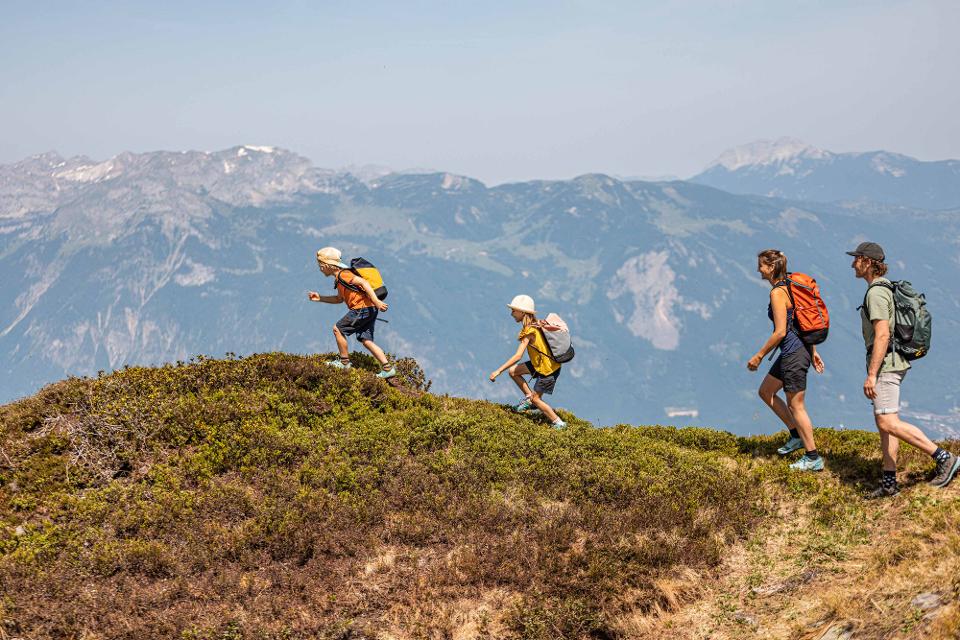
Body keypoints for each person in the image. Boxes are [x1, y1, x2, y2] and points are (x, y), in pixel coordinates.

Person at [849, 241, 959, 497]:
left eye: (856, 258)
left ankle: (944, 457)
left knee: (888, 421)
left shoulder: (876, 293)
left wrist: (872, 374)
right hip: (893, 361)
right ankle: (889, 482)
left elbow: (882, 335)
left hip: (886, 365)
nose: (852, 263)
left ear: (867, 262)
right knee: (885, 423)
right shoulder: (885, 288)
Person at [747, 250, 825, 471]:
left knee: (796, 405)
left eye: (761, 265)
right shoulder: (790, 286)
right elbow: (801, 323)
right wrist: (813, 351)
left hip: (793, 353)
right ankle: (795, 434)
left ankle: (813, 457)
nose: (758, 269)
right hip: (796, 351)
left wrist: (759, 356)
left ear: (771, 267)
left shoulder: (778, 293)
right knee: (766, 392)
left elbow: (780, 332)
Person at [307, 247, 395, 379]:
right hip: (369, 309)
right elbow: (339, 299)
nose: (320, 269)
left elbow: (364, 283)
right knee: (366, 340)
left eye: (321, 265)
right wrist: (320, 298)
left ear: (327, 265)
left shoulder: (344, 275)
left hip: (362, 309)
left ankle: (344, 363)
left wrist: (376, 301)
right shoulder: (340, 278)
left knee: (337, 329)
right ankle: (388, 369)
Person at [489, 295, 567, 429]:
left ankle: (558, 422)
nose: (511, 314)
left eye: (514, 310)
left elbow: (518, 356)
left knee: (536, 399)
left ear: (523, 312)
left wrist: (498, 371)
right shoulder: (535, 325)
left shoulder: (529, 331)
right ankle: (528, 399)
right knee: (513, 372)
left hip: (548, 369)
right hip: (541, 364)